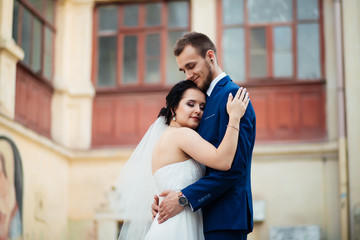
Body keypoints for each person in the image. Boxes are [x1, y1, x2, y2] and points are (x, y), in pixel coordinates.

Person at [152, 32, 256, 240]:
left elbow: (234, 168)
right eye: (183, 70)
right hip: (198, 218)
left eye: (191, 66)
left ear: (210, 56)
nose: (188, 74)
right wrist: (166, 196)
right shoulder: (204, 100)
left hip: (224, 218)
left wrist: (182, 198)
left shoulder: (232, 97)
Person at [114, 80, 249, 240]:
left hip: (169, 223)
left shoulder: (164, 138)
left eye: (202, 107)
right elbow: (223, 161)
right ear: (173, 109)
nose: (198, 111)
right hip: (177, 227)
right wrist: (234, 117)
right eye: (190, 104)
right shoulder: (182, 134)